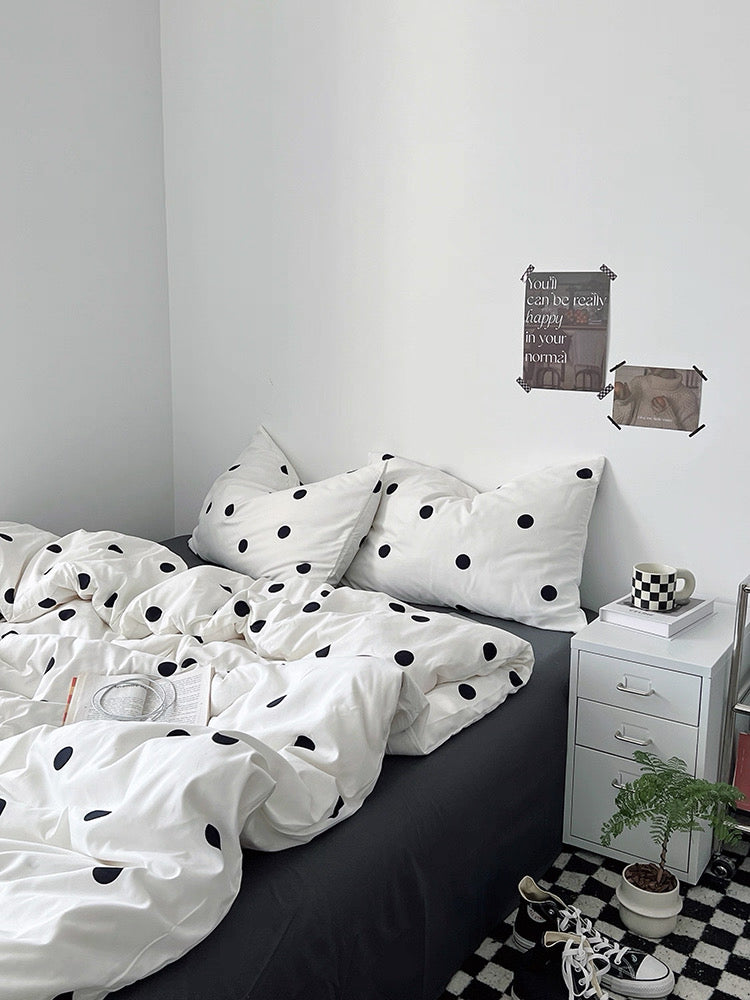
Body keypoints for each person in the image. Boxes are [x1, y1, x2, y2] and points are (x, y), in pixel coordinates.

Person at [612, 368, 700, 431]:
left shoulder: (688, 397)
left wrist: (666, 416)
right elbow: (615, 427)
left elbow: (690, 442)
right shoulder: (637, 382)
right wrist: (623, 403)